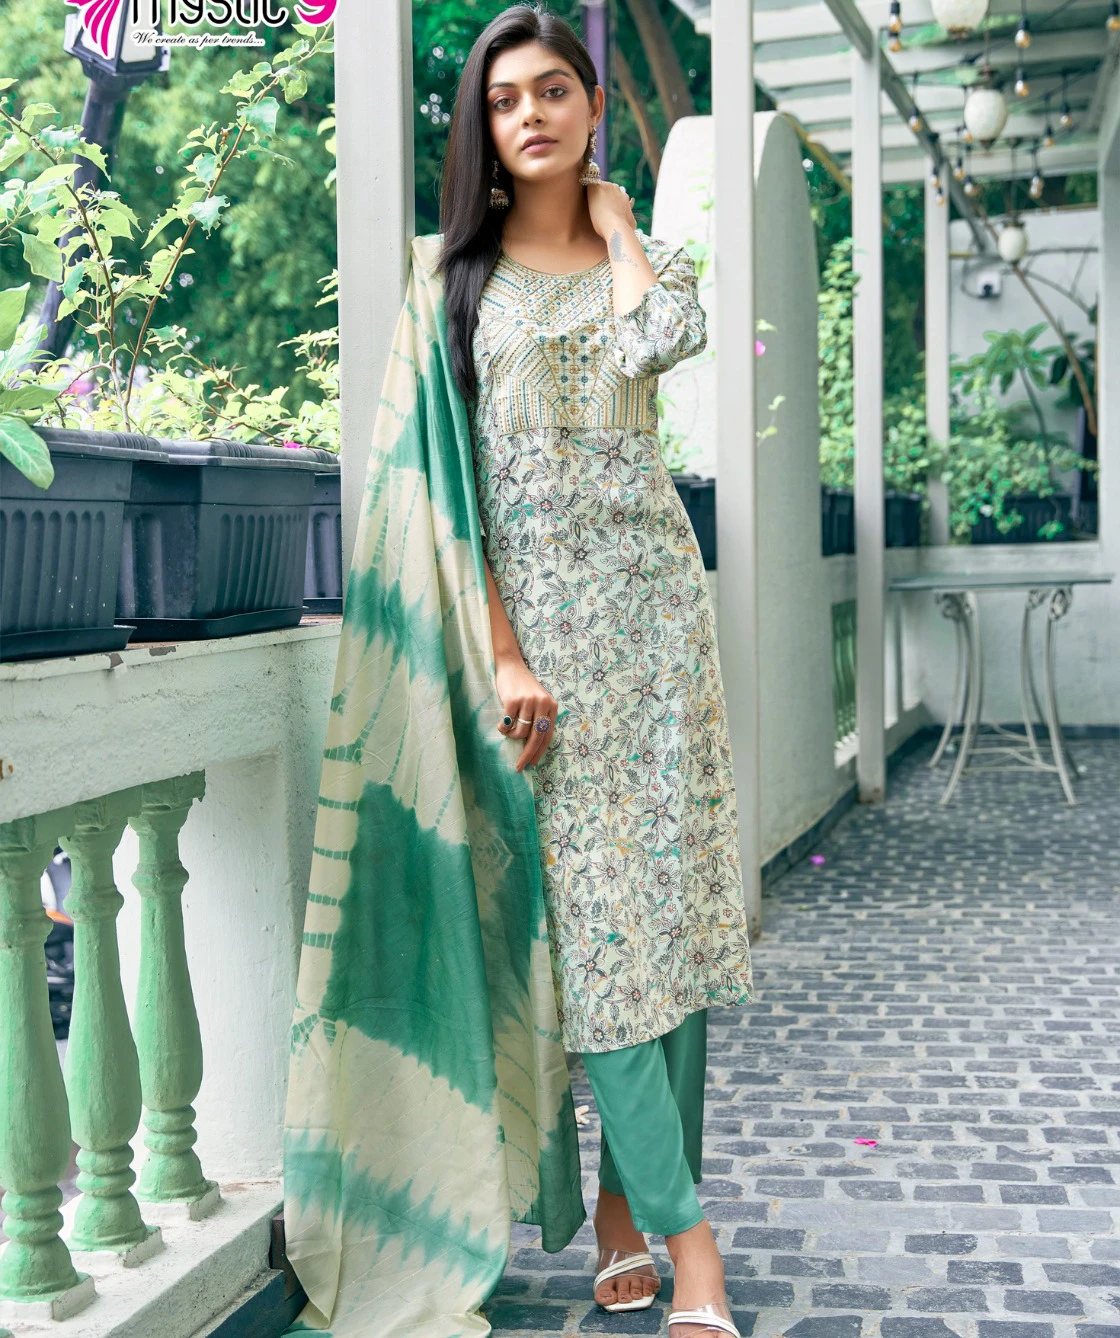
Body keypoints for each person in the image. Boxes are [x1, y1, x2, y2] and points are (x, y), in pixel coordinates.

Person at [437, 7, 754, 1336]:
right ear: (485, 126)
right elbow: (458, 495)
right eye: (505, 99)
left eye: (553, 90)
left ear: (591, 108)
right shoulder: (457, 286)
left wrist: (621, 229)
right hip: (550, 653)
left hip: (660, 624)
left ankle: (627, 1209)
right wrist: (504, 649)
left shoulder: (649, 261)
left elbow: (658, 341)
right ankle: (694, 1247)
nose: (531, 115)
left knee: (667, 927)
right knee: (607, 935)